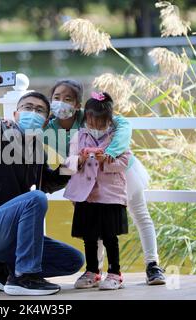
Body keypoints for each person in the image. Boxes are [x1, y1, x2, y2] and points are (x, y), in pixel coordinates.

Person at [0, 66, 84, 296]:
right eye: (27, 107)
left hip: (8, 237)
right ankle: (24, 278)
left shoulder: (38, 151)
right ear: (15, 115)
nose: (33, 112)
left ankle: (1, 267)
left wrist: (70, 168)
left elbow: (47, 183)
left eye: (40, 110)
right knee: (34, 199)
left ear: (46, 120)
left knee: (73, 260)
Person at [46, 79, 166, 286]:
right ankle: (95, 271)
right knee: (94, 225)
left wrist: (111, 153)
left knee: (140, 214)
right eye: (56, 98)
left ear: (78, 104)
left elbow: (124, 125)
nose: (61, 103)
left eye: (68, 99)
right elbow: (67, 161)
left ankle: (152, 264)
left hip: (119, 171)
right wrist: (76, 186)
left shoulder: (92, 114)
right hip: (86, 177)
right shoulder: (47, 128)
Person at [63, 92, 131, 290]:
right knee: (89, 235)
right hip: (87, 195)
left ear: (109, 119)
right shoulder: (79, 136)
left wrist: (106, 162)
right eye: (91, 120)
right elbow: (68, 163)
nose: (95, 124)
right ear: (86, 118)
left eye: (100, 121)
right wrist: (81, 160)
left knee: (110, 235)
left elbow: (124, 162)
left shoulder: (116, 138)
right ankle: (92, 271)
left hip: (109, 194)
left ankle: (115, 272)